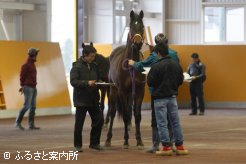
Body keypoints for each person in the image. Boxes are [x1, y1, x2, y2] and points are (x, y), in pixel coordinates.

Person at [128, 33, 177, 153]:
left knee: (156, 120)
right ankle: (172, 143)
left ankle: (156, 145)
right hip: (172, 92)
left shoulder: (154, 55)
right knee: (171, 119)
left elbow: (142, 66)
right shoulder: (174, 54)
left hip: (157, 93)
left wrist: (133, 63)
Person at [147, 42, 188, 156]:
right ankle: (179, 146)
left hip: (159, 98)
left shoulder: (156, 66)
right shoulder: (176, 65)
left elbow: (150, 82)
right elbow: (180, 80)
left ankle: (166, 147)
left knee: (162, 123)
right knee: (175, 122)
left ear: (158, 53)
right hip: (172, 97)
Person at [70, 42, 104, 152]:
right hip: (81, 100)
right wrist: (86, 83)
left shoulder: (95, 66)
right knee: (79, 124)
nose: (93, 58)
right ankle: (78, 145)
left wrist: (100, 83)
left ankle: (94, 143)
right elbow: (73, 82)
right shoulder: (76, 66)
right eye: (91, 56)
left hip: (93, 98)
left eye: (94, 56)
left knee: (99, 120)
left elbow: (97, 79)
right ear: (85, 55)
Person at [15, 48, 40, 130]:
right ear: (34, 55)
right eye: (36, 54)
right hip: (28, 87)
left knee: (33, 107)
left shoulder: (32, 64)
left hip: (33, 87)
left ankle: (31, 124)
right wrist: (22, 86)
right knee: (26, 106)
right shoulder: (26, 65)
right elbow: (22, 77)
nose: (37, 55)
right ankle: (18, 123)